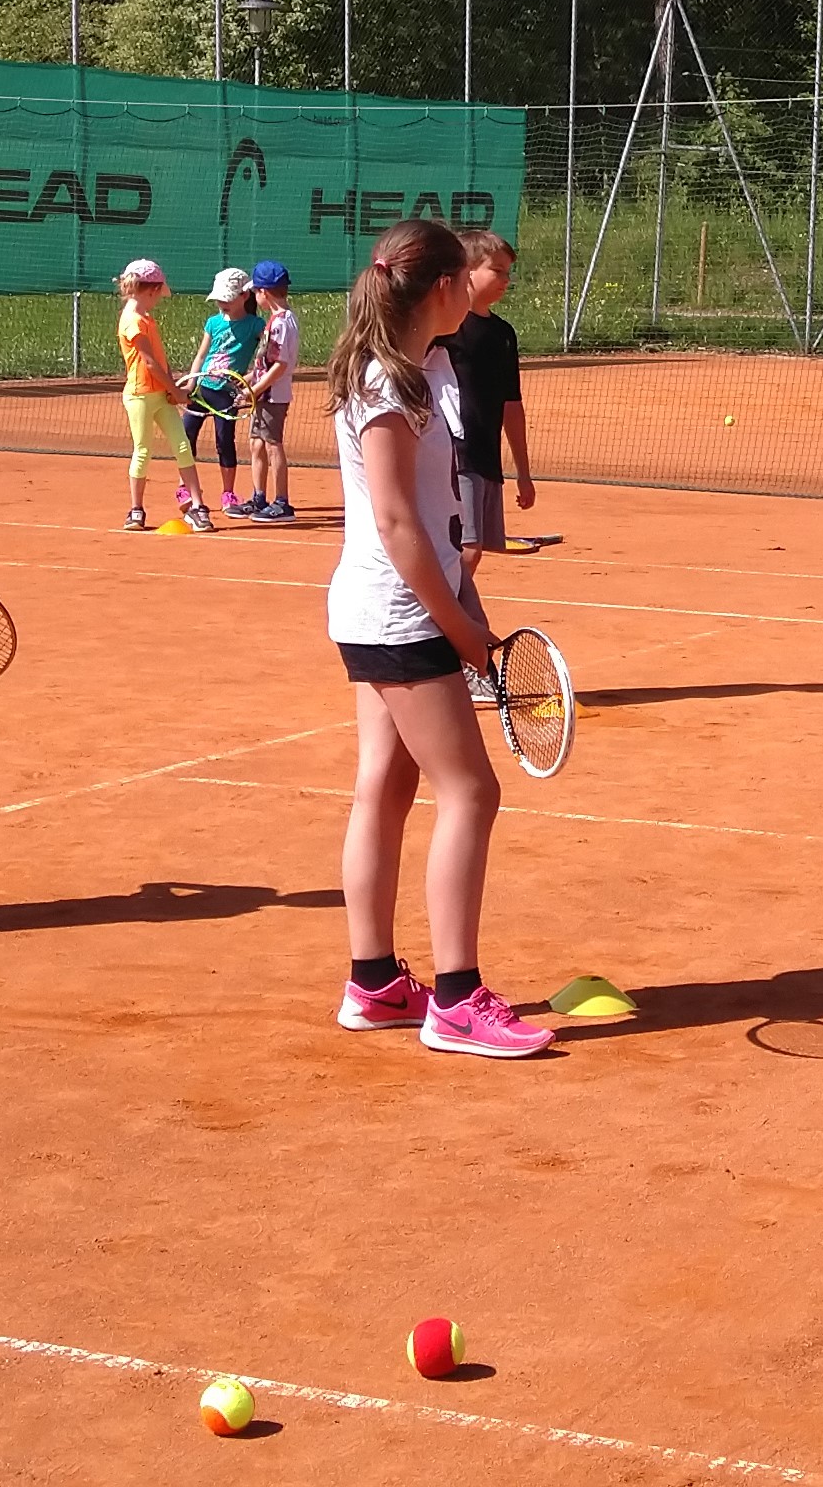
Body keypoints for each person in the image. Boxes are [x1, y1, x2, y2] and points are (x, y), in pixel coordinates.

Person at [327, 218, 546, 1058]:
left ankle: (374, 983)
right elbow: (393, 521)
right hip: (398, 613)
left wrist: (460, 599)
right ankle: (455, 1000)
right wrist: (459, 629)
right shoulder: (386, 380)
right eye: (470, 281)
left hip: (392, 608)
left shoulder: (426, 365)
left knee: (384, 787)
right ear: (445, 287)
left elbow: (429, 510)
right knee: (471, 792)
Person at [441, 229, 536, 568]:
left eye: (508, 272)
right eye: (497, 270)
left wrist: (523, 473)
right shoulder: (445, 329)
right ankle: (443, 603)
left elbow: (512, 404)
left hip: (486, 457)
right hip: (455, 454)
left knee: (474, 548)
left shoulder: (503, 333)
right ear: (467, 271)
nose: (506, 280)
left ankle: (448, 601)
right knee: (467, 548)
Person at [115, 257, 217, 533]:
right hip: (139, 396)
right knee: (142, 450)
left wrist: (172, 389)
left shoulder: (147, 319)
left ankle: (197, 507)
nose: (159, 298)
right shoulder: (133, 322)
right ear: (151, 290)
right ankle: (136, 510)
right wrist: (175, 391)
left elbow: (160, 360)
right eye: (159, 293)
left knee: (182, 446)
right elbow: (149, 363)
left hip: (160, 395)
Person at [188, 266, 260, 517]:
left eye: (227, 299)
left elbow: (269, 358)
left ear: (244, 296)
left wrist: (248, 379)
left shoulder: (255, 325)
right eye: (219, 299)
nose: (222, 304)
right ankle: (185, 488)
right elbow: (201, 356)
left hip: (226, 394)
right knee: (186, 435)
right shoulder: (213, 322)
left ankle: (228, 493)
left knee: (224, 441)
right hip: (202, 389)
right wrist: (190, 384)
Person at [243, 259, 302, 522]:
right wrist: (248, 380)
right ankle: (259, 498)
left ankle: (282, 503)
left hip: (272, 396)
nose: (254, 297)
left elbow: (280, 365)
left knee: (272, 445)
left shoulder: (281, 324)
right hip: (264, 393)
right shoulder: (277, 320)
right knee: (256, 444)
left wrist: (254, 389)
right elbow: (267, 363)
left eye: (255, 291)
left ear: (264, 292)